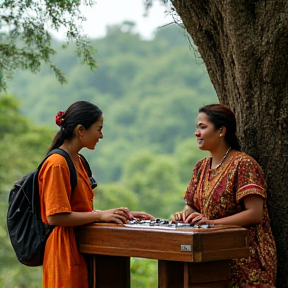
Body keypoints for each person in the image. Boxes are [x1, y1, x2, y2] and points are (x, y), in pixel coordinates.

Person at [38, 101, 152, 288]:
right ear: (81, 130)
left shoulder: (79, 160)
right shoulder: (57, 163)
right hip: (64, 250)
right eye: (98, 129)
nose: (101, 135)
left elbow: (78, 209)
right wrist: (99, 215)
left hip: (81, 245)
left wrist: (115, 215)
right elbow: (55, 216)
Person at [173, 104, 277, 288]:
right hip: (212, 256)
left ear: (221, 130)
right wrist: (185, 217)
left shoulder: (243, 164)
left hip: (246, 259)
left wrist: (211, 223)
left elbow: (255, 213)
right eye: (197, 127)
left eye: (202, 127)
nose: (197, 133)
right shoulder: (200, 167)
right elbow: (192, 207)